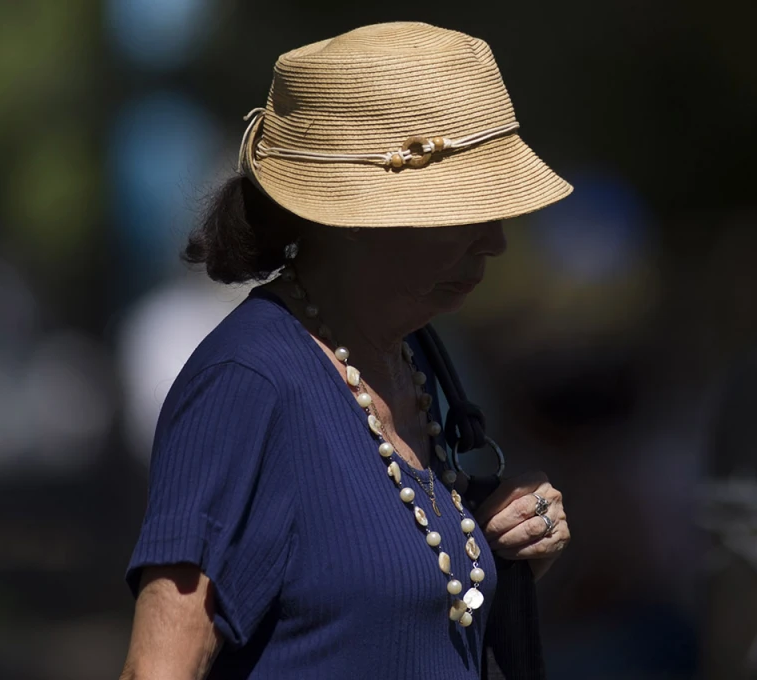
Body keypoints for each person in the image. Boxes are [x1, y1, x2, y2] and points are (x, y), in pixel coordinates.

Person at [120, 22, 573, 679]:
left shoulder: (422, 361)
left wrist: (507, 544)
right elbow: (157, 670)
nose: (495, 241)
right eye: (465, 208)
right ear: (356, 217)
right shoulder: (246, 383)